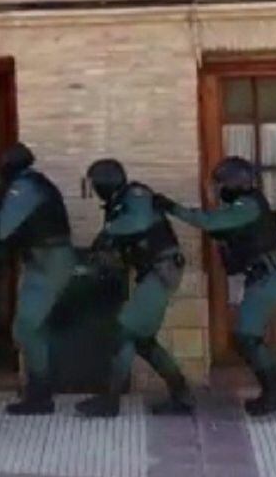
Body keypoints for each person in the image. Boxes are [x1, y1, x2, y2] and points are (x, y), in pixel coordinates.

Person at [155, 157, 276, 416]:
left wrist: (172, 207)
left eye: (221, 184)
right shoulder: (245, 205)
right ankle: (275, 392)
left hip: (268, 277)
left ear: (235, 184)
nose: (218, 190)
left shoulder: (246, 205)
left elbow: (208, 222)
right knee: (246, 337)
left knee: (247, 338)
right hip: (262, 277)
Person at [75, 159, 194, 418]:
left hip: (160, 272)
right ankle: (182, 394)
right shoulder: (118, 205)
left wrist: (108, 231)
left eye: (95, 184)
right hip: (151, 273)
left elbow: (138, 223)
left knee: (124, 331)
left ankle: (110, 401)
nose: (94, 189)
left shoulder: (136, 195)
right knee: (143, 341)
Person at [0, 143, 78, 415]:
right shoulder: (33, 183)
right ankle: (39, 391)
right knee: (31, 328)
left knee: (27, 327)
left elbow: (1, 229)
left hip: (49, 263)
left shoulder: (24, 188)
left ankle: (40, 395)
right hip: (43, 261)